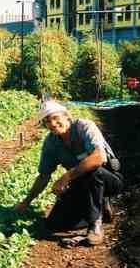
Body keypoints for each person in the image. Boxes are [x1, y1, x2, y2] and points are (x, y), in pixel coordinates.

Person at [15, 100, 123, 246]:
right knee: (54, 224)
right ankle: (97, 210)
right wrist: (26, 202)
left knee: (92, 170)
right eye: (47, 121)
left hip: (109, 180)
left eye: (55, 118)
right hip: (82, 185)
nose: (52, 124)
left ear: (66, 116)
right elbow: (44, 175)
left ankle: (95, 225)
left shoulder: (84, 127)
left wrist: (66, 177)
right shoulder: (51, 143)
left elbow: (99, 157)